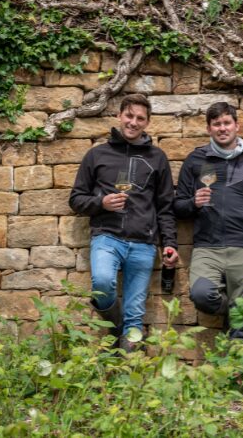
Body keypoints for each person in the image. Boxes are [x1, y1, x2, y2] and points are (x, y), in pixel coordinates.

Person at [69, 93, 178, 352]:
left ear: (147, 122)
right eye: (129, 116)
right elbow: (76, 199)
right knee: (101, 284)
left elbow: (165, 206)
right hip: (106, 237)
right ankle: (117, 327)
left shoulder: (157, 157)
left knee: (135, 312)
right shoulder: (97, 155)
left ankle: (129, 366)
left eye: (140, 118)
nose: (133, 122)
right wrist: (101, 203)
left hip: (143, 243)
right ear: (119, 116)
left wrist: (170, 243)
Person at [174, 102, 243, 338]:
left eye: (227, 123)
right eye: (216, 124)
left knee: (242, 323)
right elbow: (178, 207)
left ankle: (238, 359)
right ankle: (232, 311)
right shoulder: (196, 159)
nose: (222, 128)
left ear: (237, 126)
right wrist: (193, 203)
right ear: (209, 129)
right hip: (207, 247)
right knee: (201, 295)